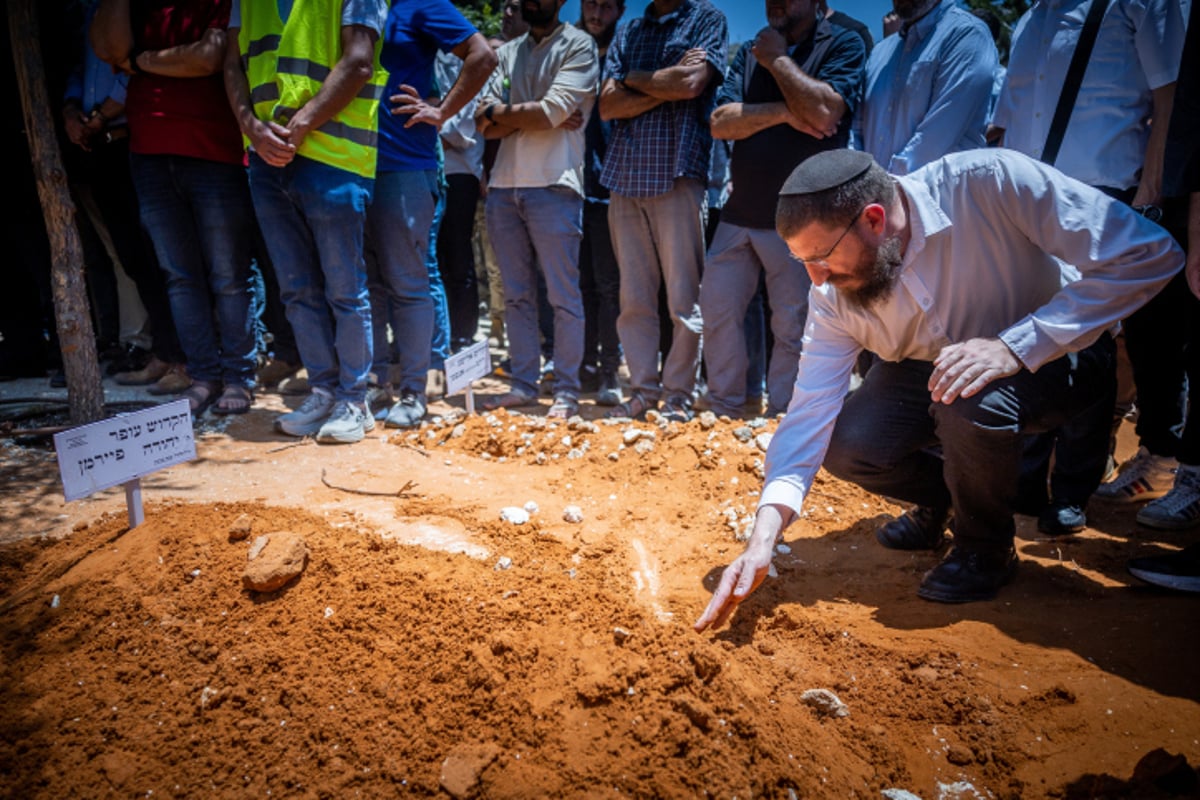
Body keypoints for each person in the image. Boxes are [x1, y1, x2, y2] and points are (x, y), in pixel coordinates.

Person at [693, 148, 1183, 629]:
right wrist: (761, 542)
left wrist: (1014, 346)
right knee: (849, 444)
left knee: (968, 401)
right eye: (801, 261)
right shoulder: (832, 296)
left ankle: (984, 547)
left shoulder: (990, 182)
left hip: (1062, 351)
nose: (816, 279)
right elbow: (808, 417)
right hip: (936, 371)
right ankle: (953, 497)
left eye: (821, 256)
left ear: (874, 219)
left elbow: (1149, 252)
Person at [990, 0, 1185, 534]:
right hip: (1028, 201)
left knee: (1087, 339)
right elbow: (1005, 122)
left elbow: (1170, 95)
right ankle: (1027, 481)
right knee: (1028, 332)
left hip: (1105, 195)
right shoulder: (1030, 20)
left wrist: (1152, 190)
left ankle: (1072, 490)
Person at [224, 0, 389, 443]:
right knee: (296, 289)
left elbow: (358, 63)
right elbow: (233, 64)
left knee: (344, 288)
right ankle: (322, 390)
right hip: (266, 157)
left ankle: (354, 400)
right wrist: (252, 128)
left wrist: (297, 126)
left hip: (333, 157)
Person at [91, 0, 259, 418]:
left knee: (228, 276)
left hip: (215, 150)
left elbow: (209, 57)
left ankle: (239, 376)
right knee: (179, 278)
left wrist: (140, 61)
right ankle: (203, 376)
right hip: (148, 153)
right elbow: (109, 50)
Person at [698, 0, 865, 419]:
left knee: (792, 326)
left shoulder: (845, 39)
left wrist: (777, 61)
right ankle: (727, 409)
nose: (775, 2)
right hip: (740, 212)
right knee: (718, 314)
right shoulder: (756, 47)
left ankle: (787, 416)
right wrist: (786, 113)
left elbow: (826, 112)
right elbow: (720, 121)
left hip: (804, 219)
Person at [364, 0, 495, 430]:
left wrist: (442, 112)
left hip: (404, 162)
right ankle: (374, 384)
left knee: (408, 280)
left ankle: (414, 391)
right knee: (368, 285)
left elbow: (483, 55)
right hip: (348, 160)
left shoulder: (419, 3)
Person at [598, 0, 728, 422]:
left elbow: (691, 84)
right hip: (625, 175)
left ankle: (678, 397)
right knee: (633, 301)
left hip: (678, 174)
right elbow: (606, 105)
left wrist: (632, 80)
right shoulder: (630, 28)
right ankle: (640, 392)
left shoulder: (708, 19)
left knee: (683, 302)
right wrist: (662, 83)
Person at [475, 0, 598, 420]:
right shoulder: (506, 52)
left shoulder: (579, 45)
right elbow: (482, 121)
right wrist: (532, 114)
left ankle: (566, 391)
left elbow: (549, 113)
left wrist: (505, 114)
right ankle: (524, 385)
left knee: (563, 298)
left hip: (556, 184)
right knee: (517, 298)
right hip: (503, 188)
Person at [852, 0, 996, 175]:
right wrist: (859, 177)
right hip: (875, 195)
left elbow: (938, 137)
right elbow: (857, 129)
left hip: (939, 198)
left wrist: (884, 188)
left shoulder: (968, 35)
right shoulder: (879, 52)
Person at [578, 0, 625, 407]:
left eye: (608, 5)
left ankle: (610, 368)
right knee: (580, 286)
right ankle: (584, 367)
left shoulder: (626, 53)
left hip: (612, 189)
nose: (598, 12)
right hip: (569, 186)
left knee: (609, 286)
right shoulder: (572, 51)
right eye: (591, 2)